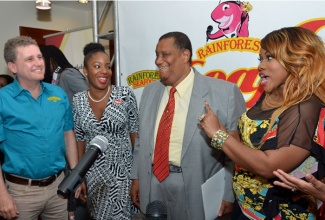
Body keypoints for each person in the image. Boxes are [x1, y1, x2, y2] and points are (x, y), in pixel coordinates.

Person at [200, 26, 325, 219]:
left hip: (278, 214)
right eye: (260, 59)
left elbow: (270, 165)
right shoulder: (271, 94)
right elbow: (253, 144)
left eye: (269, 57)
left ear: (297, 61)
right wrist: (230, 135)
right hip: (244, 208)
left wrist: (218, 135)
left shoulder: (307, 107)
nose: (260, 65)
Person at [130, 31, 246, 220]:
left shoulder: (225, 92)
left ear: (185, 55)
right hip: (153, 183)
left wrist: (228, 194)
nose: (158, 61)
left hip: (197, 188)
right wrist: (137, 177)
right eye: (156, 55)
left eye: (165, 54)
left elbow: (235, 152)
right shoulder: (150, 91)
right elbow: (142, 140)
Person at [0, 36, 79, 220]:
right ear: (13, 67)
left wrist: (75, 176)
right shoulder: (2, 99)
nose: (38, 63)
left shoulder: (58, 94)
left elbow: (68, 134)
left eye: (39, 57)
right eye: (29, 59)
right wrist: (2, 195)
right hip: (21, 193)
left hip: (59, 188)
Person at [72, 42, 139, 219]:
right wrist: (80, 177)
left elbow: (136, 136)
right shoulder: (78, 100)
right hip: (93, 175)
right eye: (97, 66)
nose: (104, 71)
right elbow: (79, 139)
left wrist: (137, 177)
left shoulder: (124, 95)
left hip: (123, 174)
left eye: (107, 67)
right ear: (85, 71)